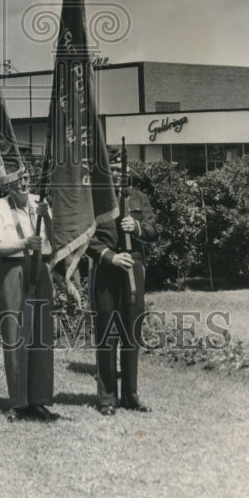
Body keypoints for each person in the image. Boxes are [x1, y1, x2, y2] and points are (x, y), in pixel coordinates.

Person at [0, 169, 58, 422]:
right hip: (12, 270)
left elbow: (55, 241)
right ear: (8, 184)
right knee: (16, 335)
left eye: (27, 178)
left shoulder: (41, 203)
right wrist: (24, 243)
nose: (24, 183)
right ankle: (18, 401)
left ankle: (39, 400)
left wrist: (46, 218)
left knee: (41, 335)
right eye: (18, 180)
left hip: (40, 270)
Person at [87, 159, 159, 416]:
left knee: (132, 332)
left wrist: (137, 226)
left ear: (129, 175)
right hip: (107, 270)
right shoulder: (96, 200)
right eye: (113, 170)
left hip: (133, 271)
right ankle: (107, 398)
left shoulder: (139, 197)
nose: (117, 175)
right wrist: (109, 255)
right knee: (107, 334)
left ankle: (131, 395)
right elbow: (85, 237)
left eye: (121, 171)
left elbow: (153, 231)